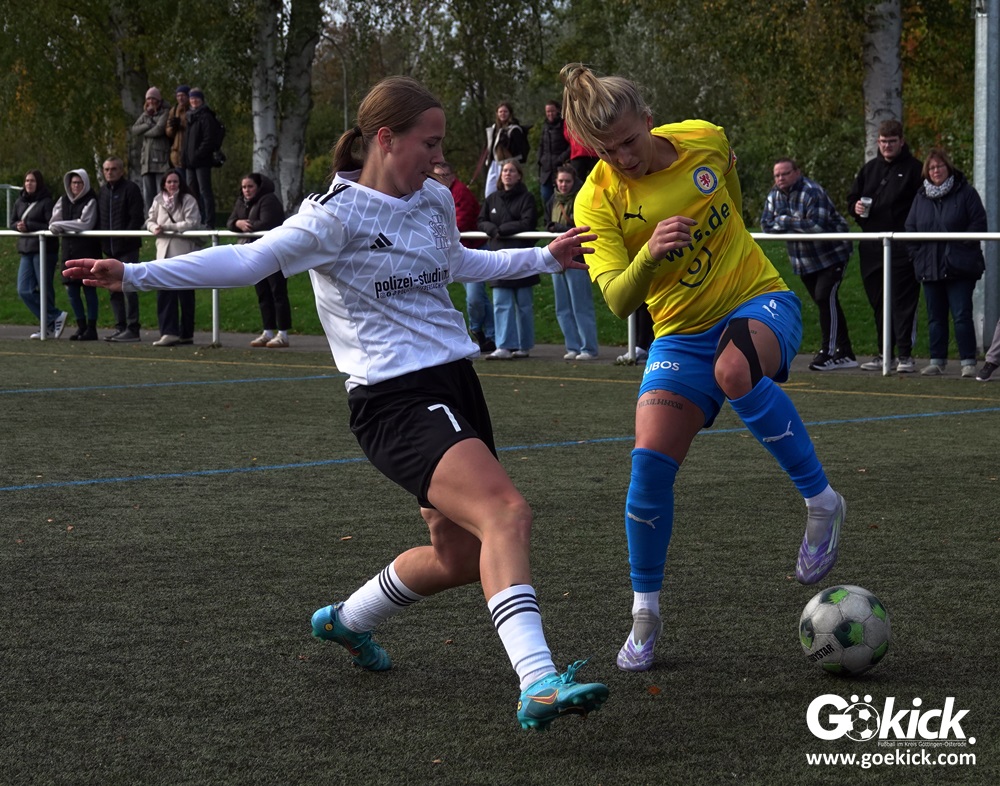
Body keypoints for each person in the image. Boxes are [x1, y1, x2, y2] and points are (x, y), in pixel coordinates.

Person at [64, 75, 608, 731]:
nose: (440, 160)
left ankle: (347, 621)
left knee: (461, 556)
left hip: (456, 385)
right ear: (385, 139)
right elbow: (246, 263)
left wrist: (544, 259)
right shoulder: (333, 215)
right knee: (506, 513)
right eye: (429, 144)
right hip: (393, 400)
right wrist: (135, 274)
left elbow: (459, 264)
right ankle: (538, 681)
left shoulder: (434, 199)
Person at [561, 63, 846, 672]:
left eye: (629, 142)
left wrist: (729, 250)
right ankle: (645, 613)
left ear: (648, 118)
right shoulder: (596, 199)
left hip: (758, 300)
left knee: (734, 371)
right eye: (607, 152)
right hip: (679, 336)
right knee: (647, 467)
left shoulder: (705, 138)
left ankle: (822, 503)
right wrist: (649, 256)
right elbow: (618, 300)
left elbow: (730, 199)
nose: (623, 159)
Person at [760, 158, 856, 371]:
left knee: (824, 297)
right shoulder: (774, 195)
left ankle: (828, 353)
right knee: (826, 303)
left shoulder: (812, 191)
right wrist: (794, 223)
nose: (780, 178)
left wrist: (784, 221)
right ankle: (845, 352)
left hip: (832, 254)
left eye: (785, 173)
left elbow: (816, 226)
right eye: (777, 175)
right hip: (804, 260)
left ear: (797, 172)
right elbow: (766, 225)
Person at [847, 119, 923, 372]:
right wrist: (856, 207)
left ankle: (905, 355)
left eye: (891, 141)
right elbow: (852, 199)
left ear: (901, 141)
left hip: (902, 246)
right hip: (872, 246)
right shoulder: (869, 169)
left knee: (902, 301)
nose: (887, 146)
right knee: (879, 301)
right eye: (882, 141)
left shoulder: (915, 170)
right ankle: (884, 354)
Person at [904, 148, 987, 378]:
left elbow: (979, 223)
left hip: (960, 267)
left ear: (948, 167)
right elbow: (910, 229)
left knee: (961, 315)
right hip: (929, 266)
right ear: (926, 172)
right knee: (935, 318)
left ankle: (968, 362)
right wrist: (918, 256)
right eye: (931, 167)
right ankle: (936, 361)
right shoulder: (920, 197)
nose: (936, 170)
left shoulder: (966, 193)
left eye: (939, 166)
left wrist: (959, 249)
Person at [432, 161, 495, 354]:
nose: (439, 179)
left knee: (475, 298)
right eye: (436, 176)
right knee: (479, 298)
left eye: (443, 175)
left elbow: (461, 222)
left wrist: (437, 230)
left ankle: (477, 329)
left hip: (473, 250)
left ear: (452, 176)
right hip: (457, 252)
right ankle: (490, 335)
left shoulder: (460, 193)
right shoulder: (437, 192)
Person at [479, 160, 539, 360]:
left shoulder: (527, 198)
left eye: (512, 171)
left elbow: (528, 222)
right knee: (501, 303)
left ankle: (523, 346)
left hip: (521, 257)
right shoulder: (492, 198)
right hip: (499, 258)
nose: (507, 174)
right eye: (505, 170)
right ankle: (504, 345)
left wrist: (502, 230)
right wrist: (491, 229)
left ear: (519, 175)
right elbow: (481, 221)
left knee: (524, 305)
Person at [226, 173, 289, 347]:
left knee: (278, 292)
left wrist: (249, 225)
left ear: (258, 187)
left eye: (250, 186)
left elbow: (268, 222)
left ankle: (283, 333)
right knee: (262, 293)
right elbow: (230, 221)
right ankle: (268, 331)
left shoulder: (269, 200)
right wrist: (237, 223)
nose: (246, 190)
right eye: (244, 187)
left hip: (273, 252)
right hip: (254, 253)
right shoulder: (241, 202)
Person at [547, 165, 598, 360]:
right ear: (556, 181)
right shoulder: (552, 200)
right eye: (560, 181)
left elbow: (583, 226)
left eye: (567, 181)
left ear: (573, 181)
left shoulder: (581, 199)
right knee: (562, 307)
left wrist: (560, 228)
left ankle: (588, 348)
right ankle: (572, 347)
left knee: (581, 305)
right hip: (556, 259)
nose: (563, 184)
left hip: (576, 257)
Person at [146, 170, 202, 346]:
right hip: (163, 253)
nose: (172, 185)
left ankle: (186, 333)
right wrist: (154, 227)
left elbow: (192, 223)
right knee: (164, 293)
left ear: (180, 183)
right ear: (164, 183)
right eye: (169, 182)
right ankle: (168, 332)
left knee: (185, 294)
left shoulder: (188, 200)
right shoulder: (158, 200)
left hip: (183, 252)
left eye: (175, 181)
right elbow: (150, 220)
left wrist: (167, 227)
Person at [12, 170, 66, 339]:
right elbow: (12, 222)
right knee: (23, 289)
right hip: (26, 250)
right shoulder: (19, 202)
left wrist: (29, 225)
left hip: (44, 250)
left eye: (33, 181)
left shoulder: (46, 202)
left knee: (45, 288)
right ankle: (53, 316)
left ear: (39, 183)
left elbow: (51, 224)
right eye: (27, 180)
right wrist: (18, 226)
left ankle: (47, 326)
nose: (29, 184)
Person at [49, 169, 101, 340]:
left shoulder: (91, 200)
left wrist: (61, 226)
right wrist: (61, 225)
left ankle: (92, 328)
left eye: (80, 183)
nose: (76, 186)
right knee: (72, 292)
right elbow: (53, 222)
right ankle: (81, 326)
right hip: (68, 252)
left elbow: (85, 224)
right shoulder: (63, 200)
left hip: (88, 252)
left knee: (89, 291)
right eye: (74, 183)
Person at [98, 157, 146, 342]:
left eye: (113, 169)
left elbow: (137, 217)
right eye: (106, 169)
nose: (109, 172)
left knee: (129, 288)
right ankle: (120, 327)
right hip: (109, 249)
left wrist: (124, 239)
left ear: (121, 170)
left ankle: (133, 328)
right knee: (113, 290)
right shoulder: (102, 192)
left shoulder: (131, 189)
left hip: (127, 248)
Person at [182, 87, 224, 226]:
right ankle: (195, 220)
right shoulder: (189, 116)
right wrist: (185, 158)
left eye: (197, 98)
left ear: (201, 100)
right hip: (190, 162)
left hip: (202, 161)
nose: (194, 101)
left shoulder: (206, 116)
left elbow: (208, 139)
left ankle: (209, 222)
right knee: (191, 193)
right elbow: (186, 141)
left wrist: (197, 154)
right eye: (192, 98)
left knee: (204, 191)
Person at [131, 86, 171, 211]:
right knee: (148, 195)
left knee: (161, 193)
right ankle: (150, 218)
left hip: (160, 160)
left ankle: (163, 217)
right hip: (146, 162)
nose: (150, 101)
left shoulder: (165, 112)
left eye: (153, 98)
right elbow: (134, 130)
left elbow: (158, 130)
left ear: (158, 100)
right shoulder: (145, 115)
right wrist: (148, 124)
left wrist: (144, 132)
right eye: (148, 99)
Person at [480, 102, 528, 199]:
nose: (503, 114)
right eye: (500, 112)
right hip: (494, 163)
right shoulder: (494, 128)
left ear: (510, 113)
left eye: (505, 111)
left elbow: (520, 150)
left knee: (505, 190)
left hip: (507, 163)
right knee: (489, 193)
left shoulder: (514, 129)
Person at [537, 101, 571, 206]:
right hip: (546, 170)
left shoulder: (564, 125)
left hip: (560, 168)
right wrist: (540, 159)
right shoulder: (545, 127)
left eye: (552, 111)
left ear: (558, 111)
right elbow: (541, 145)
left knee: (562, 200)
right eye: (548, 111)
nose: (550, 114)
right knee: (546, 198)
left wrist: (561, 159)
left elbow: (571, 145)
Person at [166, 85, 190, 180]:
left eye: (183, 95)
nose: (180, 98)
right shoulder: (174, 110)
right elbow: (168, 132)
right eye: (178, 96)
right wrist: (173, 128)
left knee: (192, 185)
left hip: (190, 154)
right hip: (177, 155)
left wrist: (182, 124)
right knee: (179, 184)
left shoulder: (192, 110)